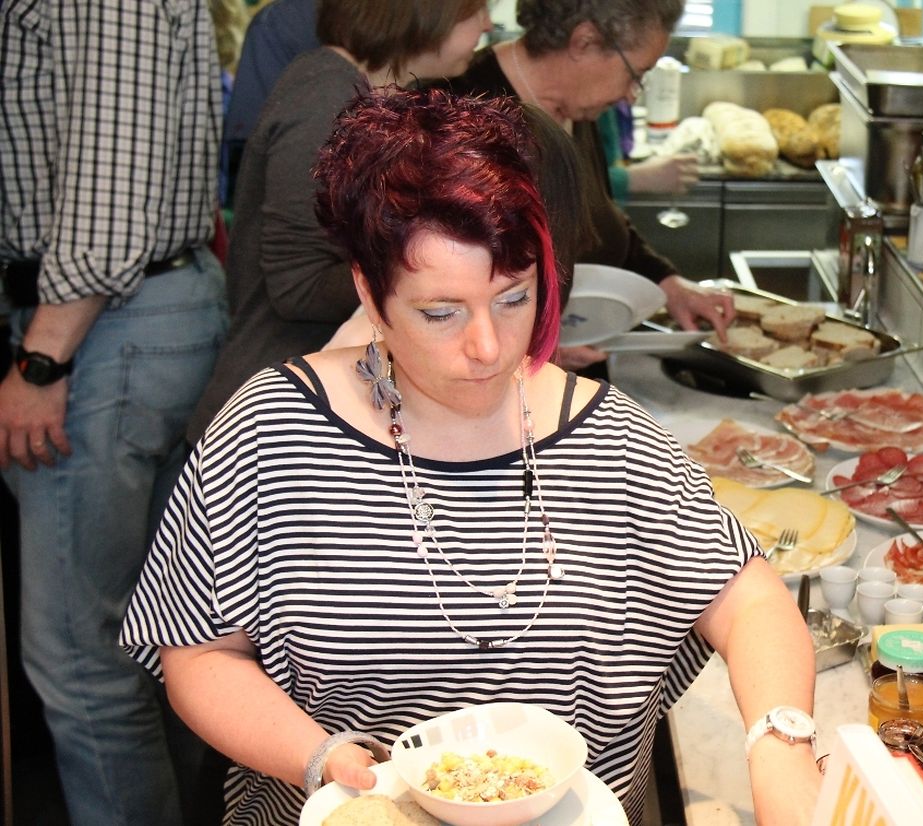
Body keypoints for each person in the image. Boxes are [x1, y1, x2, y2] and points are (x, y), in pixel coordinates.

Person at [120, 88, 821, 826]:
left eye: (513, 299)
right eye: (441, 312)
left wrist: (781, 746)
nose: (487, 347)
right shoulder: (272, 434)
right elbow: (199, 655)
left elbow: (751, 602)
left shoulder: (613, 440)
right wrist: (320, 756)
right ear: (370, 295)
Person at [0, 2, 229, 823]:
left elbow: (108, 198)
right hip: (132, 317)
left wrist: (43, 359)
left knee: (80, 654)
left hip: (102, 326)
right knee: (167, 636)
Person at [186, 0, 492, 445]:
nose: (487, 23)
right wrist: (424, 274)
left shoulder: (367, 96)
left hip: (319, 397)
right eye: (475, 9)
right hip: (278, 415)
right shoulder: (325, 100)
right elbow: (297, 285)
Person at [446, 0, 735, 362]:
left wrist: (668, 283)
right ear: (584, 42)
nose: (632, 94)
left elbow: (598, 215)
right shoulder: (464, 110)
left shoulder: (576, 104)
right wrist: (533, 352)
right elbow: (445, 288)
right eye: (636, 74)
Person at [220, 0, 318, 206]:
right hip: (350, 197)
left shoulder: (277, 22)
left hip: (286, 201)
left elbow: (250, 148)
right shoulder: (279, 23)